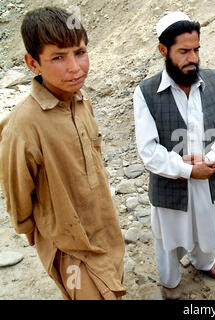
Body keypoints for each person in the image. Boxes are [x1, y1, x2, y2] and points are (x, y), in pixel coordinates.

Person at [0, 7, 126, 300]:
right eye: (58, 57)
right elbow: (18, 192)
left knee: (115, 284)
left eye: (80, 52)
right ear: (33, 63)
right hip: (68, 244)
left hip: (103, 226)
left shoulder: (82, 103)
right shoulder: (24, 125)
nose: (75, 67)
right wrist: (29, 228)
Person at [133, 12, 215, 299]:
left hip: (208, 178)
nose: (193, 57)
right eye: (184, 51)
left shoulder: (214, 81)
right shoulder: (146, 92)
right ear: (163, 51)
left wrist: (212, 158)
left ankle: (204, 262)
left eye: (196, 49)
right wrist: (187, 169)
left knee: (208, 224)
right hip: (170, 182)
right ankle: (170, 280)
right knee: (168, 238)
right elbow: (148, 150)